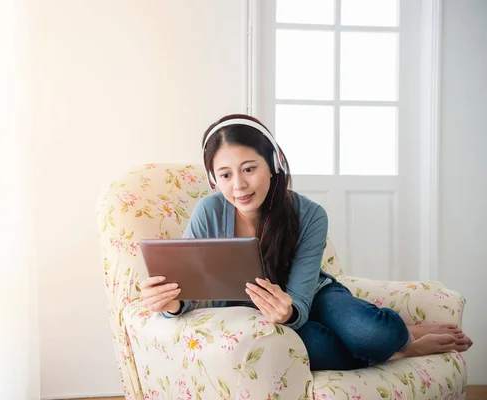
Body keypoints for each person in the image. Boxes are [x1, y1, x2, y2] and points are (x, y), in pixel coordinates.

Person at [139, 113, 472, 371]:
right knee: (312, 346)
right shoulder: (208, 211)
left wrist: (289, 311)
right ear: (215, 179)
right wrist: (171, 302)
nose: (238, 185)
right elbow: (193, 293)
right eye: (225, 175)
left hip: (312, 294)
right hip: (260, 316)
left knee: (373, 335)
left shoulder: (310, 214)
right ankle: (405, 349)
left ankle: (402, 335)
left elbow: (300, 297)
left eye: (249, 169)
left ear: (274, 164)